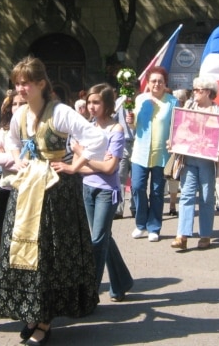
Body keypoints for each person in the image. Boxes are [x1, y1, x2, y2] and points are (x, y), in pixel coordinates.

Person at [0, 56, 106, 346]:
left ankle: (44, 319)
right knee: (19, 246)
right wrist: (18, 160)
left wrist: (73, 164)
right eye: (17, 83)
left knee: (49, 252)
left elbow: (97, 139)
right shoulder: (20, 115)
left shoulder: (60, 112)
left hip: (56, 191)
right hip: (27, 189)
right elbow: (12, 141)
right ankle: (32, 311)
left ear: (41, 84)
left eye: (26, 83)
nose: (20, 89)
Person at [77, 83, 133, 302]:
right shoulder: (87, 128)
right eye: (89, 102)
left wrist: (84, 155)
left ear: (107, 104)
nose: (91, 107)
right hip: (87, 187)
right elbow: (76, 166)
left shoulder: (115, 130)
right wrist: (89, 161)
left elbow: (111, 168)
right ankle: (122, 283)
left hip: (106, 192)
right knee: (103, 236)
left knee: (97, 240)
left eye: (96, 102)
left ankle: (90, 292)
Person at [170, 77, 219, 250]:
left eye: (198, 90)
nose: (194, 92)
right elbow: (178, 129)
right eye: (194, 89)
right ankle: (182, 235)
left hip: (207, 161)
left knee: (206, 197)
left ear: (209, 92)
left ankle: (205, 235)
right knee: (187, 195)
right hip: (188, 158)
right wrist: (173, 142)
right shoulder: (188, 107)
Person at [125, 67, 177, 242]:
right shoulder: (139, 100)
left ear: (165, 83)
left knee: (157, 192)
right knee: (138, 188)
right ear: (147, 82)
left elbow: (177, 127)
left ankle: (154, 227)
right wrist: (130, 122)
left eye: (160, 81)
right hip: (140, 153)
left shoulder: (172, 102)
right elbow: (135, 126)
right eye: (153, 81)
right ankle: (140, 224)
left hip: (161, 154)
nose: (157, 84)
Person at [0, 89, 27, 254]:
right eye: (14, 104)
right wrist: (18, 162)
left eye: (22, 103)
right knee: (4, 232)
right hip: (7, 186)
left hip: (28, 188)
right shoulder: (5, 130)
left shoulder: (34, 129)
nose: (17, 107)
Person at [113, 90, 135, 219]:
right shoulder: (119, 102)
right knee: (120, 177)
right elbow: (113, 119)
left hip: (138, 142)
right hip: (124, 143)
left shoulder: (140, 101)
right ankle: (118, 209)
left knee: (135, 179)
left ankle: (135, 207)